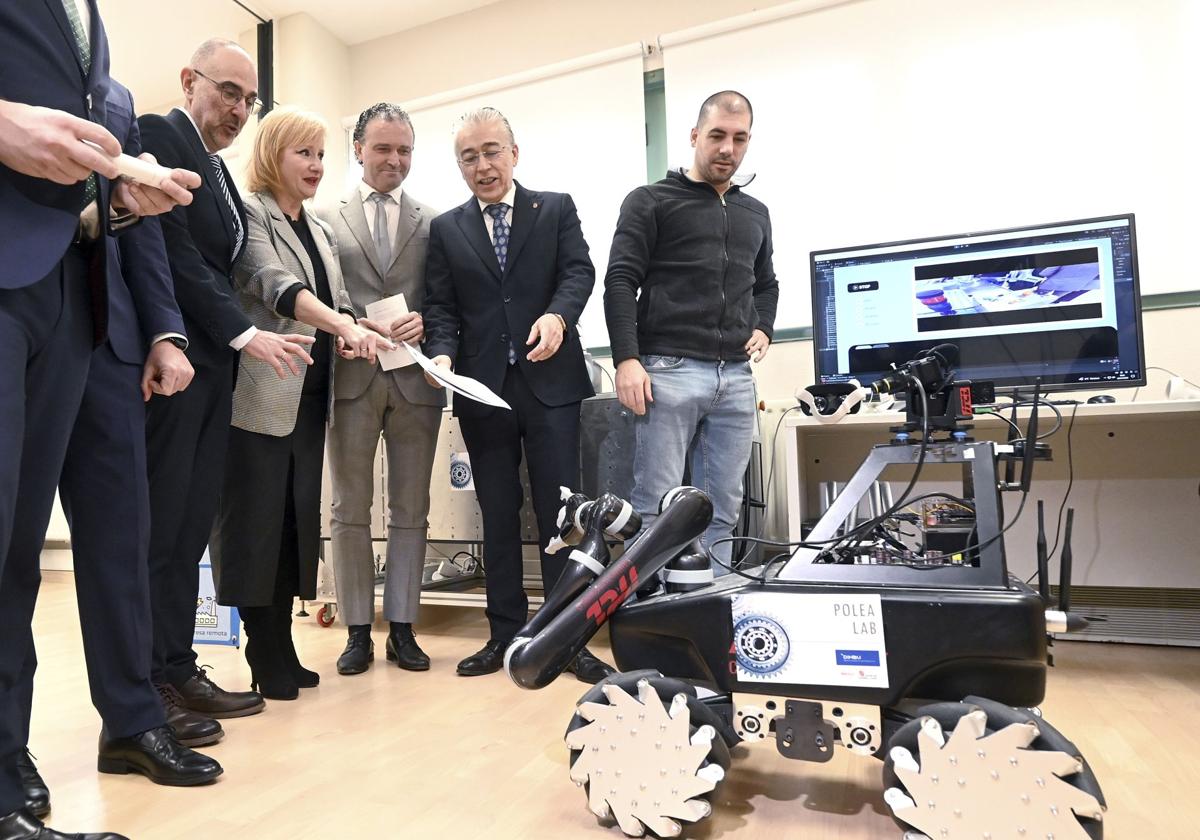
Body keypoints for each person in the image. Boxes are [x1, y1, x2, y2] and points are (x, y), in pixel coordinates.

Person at [0, 4, 197, 837]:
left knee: (106, 535)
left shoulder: (99, 51)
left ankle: (119, 719)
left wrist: (161, 324)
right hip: (14, 282)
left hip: (86, 312)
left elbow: (124, 234)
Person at [138, 39, 315, 722]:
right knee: (160, 528)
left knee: (189, 529)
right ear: (189, 81)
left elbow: (236, 265)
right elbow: (173, 253)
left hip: (217, 370)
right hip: (176, 359)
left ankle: (179, 666)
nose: (239, 108)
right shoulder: (159, 133)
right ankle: (148, 678)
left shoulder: (219, 173)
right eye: (228, 91)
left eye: (249, 98)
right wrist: (244, 332)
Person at [423, 107, 612, 682]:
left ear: (514, 153)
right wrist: (442, 355)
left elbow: (579, 273)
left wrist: (558, 317)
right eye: (469, 156)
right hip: (483, 390)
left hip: (550, 382)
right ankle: (506, 634)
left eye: (491, 151)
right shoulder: (447, 228)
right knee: (498, 514)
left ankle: (565, 637)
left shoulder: (554, 208)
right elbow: (441, 306)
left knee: (561, 515)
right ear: (459, 165)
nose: (482, 165)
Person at [211, 107, 390, 700]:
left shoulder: (319, 228)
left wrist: (376, 330)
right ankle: (261, 646)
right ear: (272, 157)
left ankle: (282, 645)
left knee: (294, 521)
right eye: (302, 154)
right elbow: (275, 287)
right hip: (262, 393)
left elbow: (336, 302)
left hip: (313, 396)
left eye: (320, 154)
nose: (315, 165)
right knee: (256, 522)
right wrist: (343, 323)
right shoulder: (250, 214)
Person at [603, 90, 779, 574]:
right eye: (718, 135)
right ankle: (649, 623)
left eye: (739, 138)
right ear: (695, 135)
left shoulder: (755, 212)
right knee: (657, 512)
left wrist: (764, 326)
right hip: (668, 371)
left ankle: (710, 615)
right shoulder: (650, 201)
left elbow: (766, 283)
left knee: (723, 510)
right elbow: (620, 280)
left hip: (736, 379)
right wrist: (627, 359)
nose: (728, 148)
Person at [318, 103, 444, 677]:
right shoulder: (324, 217)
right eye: (384, 148)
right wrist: (348, 322)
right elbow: (320, 295)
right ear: (359, 150)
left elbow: (445, 302)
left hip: (415, 380)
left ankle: (404, 628)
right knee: (349, 508)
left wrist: (429, 325)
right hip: (351, 377)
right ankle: (356, 630)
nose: (395, 160)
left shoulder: (434, 220)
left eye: (405, 150)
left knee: (411, 509)